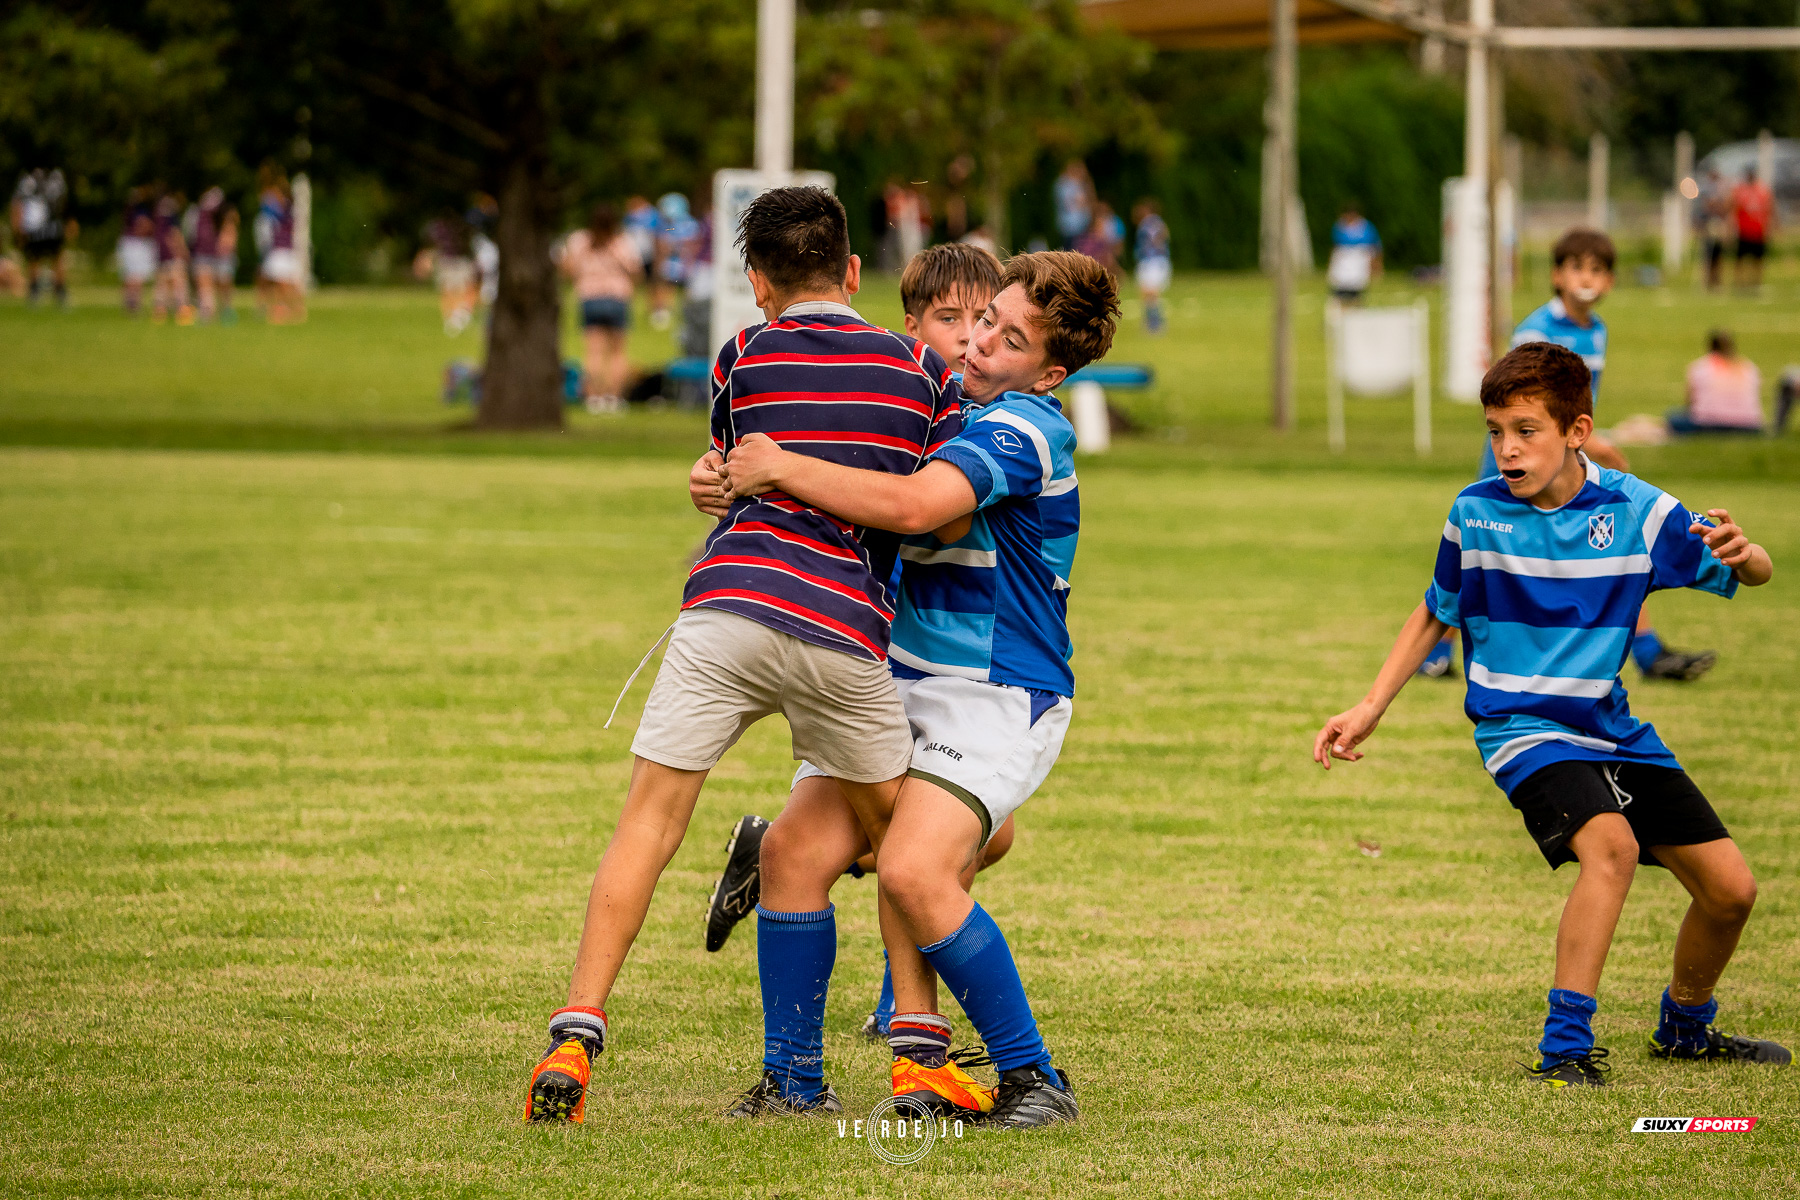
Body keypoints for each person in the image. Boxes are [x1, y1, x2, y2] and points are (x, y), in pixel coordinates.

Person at [522, 187, 963, 1124]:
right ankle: (920, 1058)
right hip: (843, 627)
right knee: (907, 847)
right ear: (854, 270)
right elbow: (942, 497)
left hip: (725, 607)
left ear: (756, 282)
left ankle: (575, 1029)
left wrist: (709, 482)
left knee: (649, 822)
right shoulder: (921, 369)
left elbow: (731, 477)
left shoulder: (743, 353)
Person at [1315, 341, 1789, 1088]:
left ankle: (1686, 1025)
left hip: (1610, 726)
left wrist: (1745, 550)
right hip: (1522, 728)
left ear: (1577, 430)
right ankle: (1565, 1047)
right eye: (1495, 429)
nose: (1506, 448)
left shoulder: (1636, 509)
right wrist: (1371, 704)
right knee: (1613, 849)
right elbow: (1436, 612)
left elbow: (1751, 571)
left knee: (1732, 891)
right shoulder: (1475, 513)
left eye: (1526, 429)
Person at [717, 251, 1118, 1129]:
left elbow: (908, 506)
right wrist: (725, 473)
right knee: (789, 856)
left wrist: (779, 466)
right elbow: (848, 454)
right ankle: (792, 1085)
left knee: (911, 866)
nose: (980, 345)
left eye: (1009, 341)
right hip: (893, 680)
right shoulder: (945, 402)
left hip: (996, 694)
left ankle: (1035, 1080)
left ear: (1050, 373)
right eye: (984, 321)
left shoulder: (1024, 428)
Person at [699, 242, 1013, 1042]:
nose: (968, 337)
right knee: (915, 838)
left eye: (986, 321)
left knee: (979, 834)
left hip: (944, 674)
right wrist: (716, 478)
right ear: (911, 327)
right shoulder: (900, 394)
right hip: (858, 658)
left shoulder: (992, 427)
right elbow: (796, 466)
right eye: (950, 320)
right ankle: (881, 1022)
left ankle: (892, 994)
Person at [1432, 228, 1714, 684]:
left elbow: (1576, 404)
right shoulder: (1536, 329)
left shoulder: (1597, 331)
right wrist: (1591, 442)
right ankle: (1437, 652)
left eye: (1598, 269)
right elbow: (1526, 405)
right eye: (1577, 267)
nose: (1587, 278)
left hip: (1567, 464)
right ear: (1557, 276)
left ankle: (1647, 651)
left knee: (1618, 550)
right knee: (1478, 565)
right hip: (1524, 467)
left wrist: (1586, 445)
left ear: (1610, 282)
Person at [557, 203, 642, 413]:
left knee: (593, 352)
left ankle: (593, 398)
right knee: (617, 353)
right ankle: (613, 398)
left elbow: (566, 269)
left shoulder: (580, 241)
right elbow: (636, 272)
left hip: (589, 297)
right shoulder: (622, 242)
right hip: (617, 297)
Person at [1670, 331, 1764, 435]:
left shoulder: (1702, 366)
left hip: (1709, 424)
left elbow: (1690, 402)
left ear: (1710, 347)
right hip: (1749, 425)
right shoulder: (1748, 367)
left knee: (1674, 417)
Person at [11, 168, 74, 308]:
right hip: (37, 227)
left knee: (54, 259)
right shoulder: (29, 179)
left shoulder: (55, 177)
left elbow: (64, 203)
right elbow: (18, 204)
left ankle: (58, 291)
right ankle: (36, 291)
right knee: (36, 259)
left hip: (51, 227)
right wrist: (18, 227)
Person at [414, 211, 478, 335]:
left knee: (460, 288)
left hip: (458, 260)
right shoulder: (443, 226)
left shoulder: (458, 224)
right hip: (448, 260)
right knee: (449, 290)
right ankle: (451, 319)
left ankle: (458, 316)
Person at [255, 173, 304, 324]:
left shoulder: (283, 209)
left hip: (281, 249)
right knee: (279, 280)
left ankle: (287, 308)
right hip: (280, 249)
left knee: (283, 281)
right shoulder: (283, 209)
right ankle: (289, 308)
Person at [186, 187, 233, 323]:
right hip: (207, 255)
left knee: (206, 287)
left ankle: (207, 315)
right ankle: (209, 314)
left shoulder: (196, 213)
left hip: (206, 255)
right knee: (206, 287)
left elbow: (190, 234)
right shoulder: (212, 214)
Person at [151, 192, 195, 325]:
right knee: (179, 283)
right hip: (173, 255)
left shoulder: (159, 214)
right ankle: (182, 311)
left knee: (163, 284)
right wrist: (183, 251)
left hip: (161, 254)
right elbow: (174, 234)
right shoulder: (172, 215)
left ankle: (160, 312)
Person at [1327, 204, 1382, 303]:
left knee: (1357, 284)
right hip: (1343, 258)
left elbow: (1375, 246)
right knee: (1340, 284)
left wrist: (1376, 264)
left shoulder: (1366, 227)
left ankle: (1356, 303)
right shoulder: (1339, 226)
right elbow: (1335, 245)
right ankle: (1341, 303)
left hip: (1360, 257)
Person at [1730, 167, 1774, 292]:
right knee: (1740, 259)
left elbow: (1769, 209)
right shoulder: (1740, 191)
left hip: (1758, 231)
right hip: (1744, 231)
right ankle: (1739, 284)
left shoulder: (1762, 191)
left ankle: (1756, 284)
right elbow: (1733, 208)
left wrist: (1771, 227)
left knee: (1758, 260)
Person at [1132, 199, 1171, 334]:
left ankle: (1155, 323)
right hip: (1156, 261)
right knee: (1147, 293)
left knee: (1150, 292)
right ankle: (1152, 322)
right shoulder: (1159, 223)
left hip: (1152, 262)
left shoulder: (1148, 224)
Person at [116, 191, 157, 315]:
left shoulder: (131, 207)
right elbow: (143, 225)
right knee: (135, 276)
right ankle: (134, 305)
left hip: (131, 243)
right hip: (137, 244)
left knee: (131, 276)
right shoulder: (141, 208)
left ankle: (131, 305)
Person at [1698, 168, 1730, 292]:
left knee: (1718, 255)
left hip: (1718, 224)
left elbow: (1725, 207)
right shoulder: (1705, 189)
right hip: (1709, 224)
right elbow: (1705, 207)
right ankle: (1706, 281)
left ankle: (1717, 281)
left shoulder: (1722, 189)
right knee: (1707, 255)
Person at [1054, 160, 1094, 251]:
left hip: (1080, 224)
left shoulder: (1079, 184)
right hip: (1071, 226)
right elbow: (1070, 204)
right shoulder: (1064, 184)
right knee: (1071, 251)